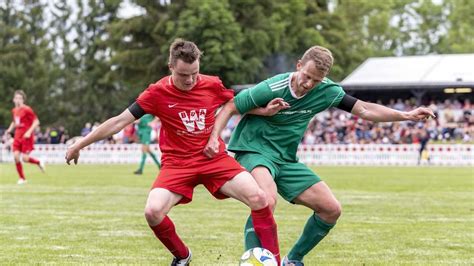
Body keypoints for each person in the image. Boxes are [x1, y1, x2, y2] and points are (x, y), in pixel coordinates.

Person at [204, 45, 435, 265]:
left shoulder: (327, 91)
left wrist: (406, 115)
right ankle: (254, 260)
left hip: (285, 158)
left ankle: (292, 260)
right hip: (255, 150)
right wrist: (215, 137)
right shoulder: (274, 86)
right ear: (298, 65)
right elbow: (232, 106)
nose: (308, 84)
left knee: (331, 209)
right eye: (306, 76)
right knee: (267, 199)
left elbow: (365, 109)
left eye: (316, 80)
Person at [65, 39, 281, 265]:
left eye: (194, 73)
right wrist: (80, 144)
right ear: (171, 68)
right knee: (153, 211)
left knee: (259, 198)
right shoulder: (156, 93)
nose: (190, 80)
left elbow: (234, 104)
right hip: (177, 164)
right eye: (183, 75)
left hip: (213, 159)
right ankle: (182, 256)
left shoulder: (212, 84)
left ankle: (274, 261)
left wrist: (264, 111)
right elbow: (119, 121)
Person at [4, 90, 45, 184]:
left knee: (25, 159)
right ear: (13, 100)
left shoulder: (27, 109)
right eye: (16, 98)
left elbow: (36, 121)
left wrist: (29, 132)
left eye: (20, 98)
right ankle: (22, 178)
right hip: (17, 135)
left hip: (26, 136)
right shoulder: (14, 110)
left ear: (23, 100)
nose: (18, 100)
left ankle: (39, 162)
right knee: (16, 157)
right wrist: (9, 129)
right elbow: (15, 122)